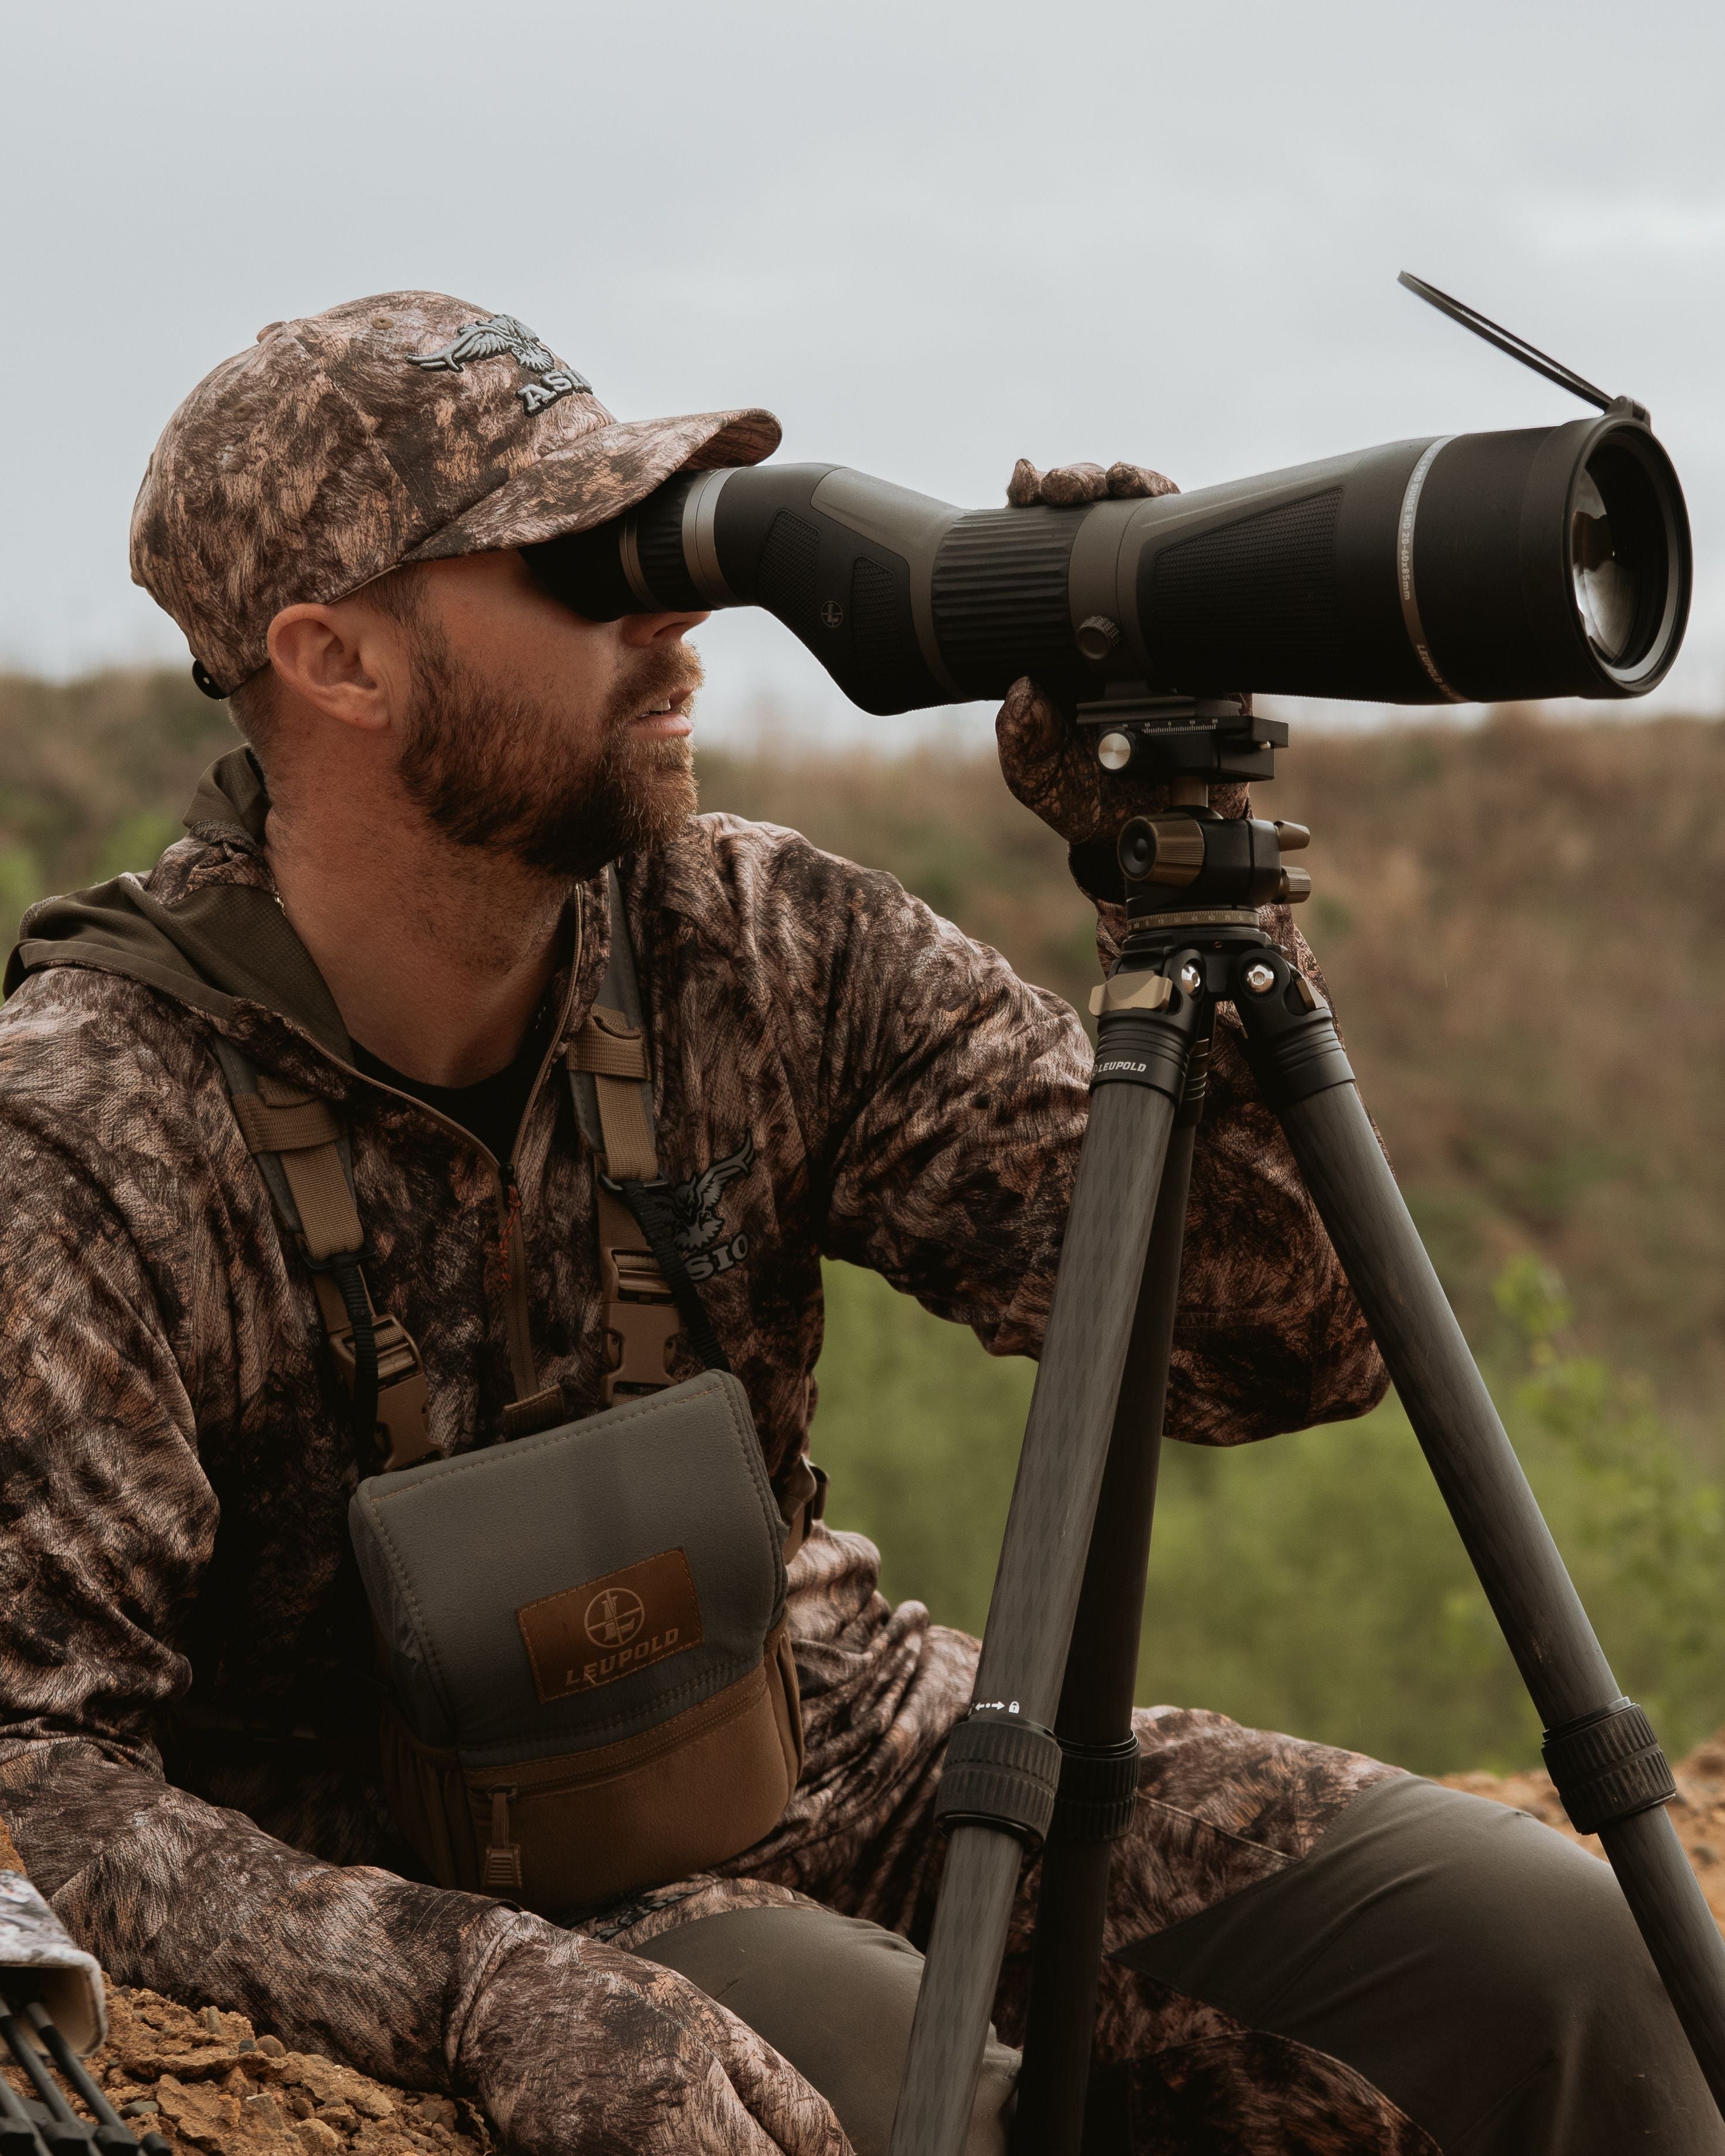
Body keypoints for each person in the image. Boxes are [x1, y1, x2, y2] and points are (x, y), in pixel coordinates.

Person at [0, 291, 1713, 2156]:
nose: (677, 614)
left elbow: (1271, 1337)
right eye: (588, 562)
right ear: (336, 659)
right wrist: (470, 1981)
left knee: (1577, 1973)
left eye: (663, 539)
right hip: (455, 1876)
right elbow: (33, 1778)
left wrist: (1172, 861)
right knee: (945, 2112)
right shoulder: (92, 1120)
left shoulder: (763, 944)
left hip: (855, 1745)